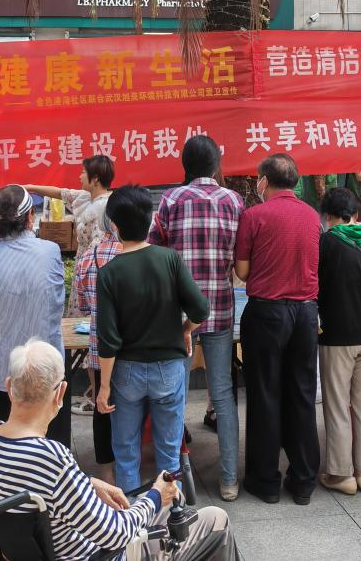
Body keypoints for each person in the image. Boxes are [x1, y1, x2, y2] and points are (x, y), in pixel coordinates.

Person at [0, 339, 240, 561]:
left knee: (150, 507)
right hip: (101, 553)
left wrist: (86, 483)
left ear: (9, 387)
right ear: (60, 393)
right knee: (215, 519)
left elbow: (34, 482)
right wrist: (156, 496)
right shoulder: (52, 460)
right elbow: (116, 534)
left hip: (44, 545)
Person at [147, 135, 243, 501]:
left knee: (175, 396)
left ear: (185, 164)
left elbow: (154, 251)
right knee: (223, 395)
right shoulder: (234, 201)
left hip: (179, 315)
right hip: (220, 308)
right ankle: (229, 481)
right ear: (216, 164)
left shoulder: (172, 199)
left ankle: (171, 485)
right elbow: (241, 256)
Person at [96, 186, 208, 495]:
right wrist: (186, 329)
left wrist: (104, 387)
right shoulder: (169, 259)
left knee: (126, 451)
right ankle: (171, 515)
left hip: (127, 372)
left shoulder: (109, 273)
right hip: (169, 370)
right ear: (150, 220)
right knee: (169, 453)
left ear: (114, 225)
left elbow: (108, 339)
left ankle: (133, 516)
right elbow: (200, 309)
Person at [234, 153, 320, 505]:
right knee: (302, 394)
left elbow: (242, 271)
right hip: (306, 313)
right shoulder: (311, 215)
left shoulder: (254, 215)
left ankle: (265, 481)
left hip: (267, 312)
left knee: (264, 395)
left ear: (264, 181)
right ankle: (303, 481)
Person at [0, 184, 69, 445]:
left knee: (2, 449)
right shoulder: (50, 251)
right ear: (30, 217)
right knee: (50, 450)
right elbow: (57, 304)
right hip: (46, 370)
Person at [315, 187, 361, 495]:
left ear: (327, 215)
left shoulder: (326, 242)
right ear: (355, 214)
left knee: (337, 406)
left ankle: (341, 474)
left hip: (338, 336)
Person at [25, 154, 116, 321]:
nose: (80, 176)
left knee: (90, 316)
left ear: (95, 178)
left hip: (93, 270)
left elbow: (99, 248)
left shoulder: (104, 207)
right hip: (82, 264)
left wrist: (86, 270)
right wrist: (30, 187)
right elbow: (60, 193)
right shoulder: (85, 197)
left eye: (83, 172)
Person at [75, 208, 118, 482]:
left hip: (100, 347)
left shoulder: (89, 257)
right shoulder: (141, 254)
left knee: (103, 409)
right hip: (137, 349)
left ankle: (106, 473)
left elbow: (83, 306)